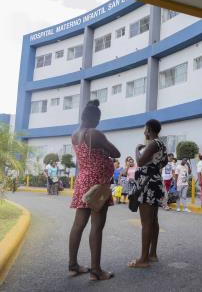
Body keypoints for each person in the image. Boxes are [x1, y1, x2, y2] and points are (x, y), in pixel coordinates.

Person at [69, 100, 120, 281]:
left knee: (78, 225)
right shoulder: (95, 134)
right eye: (98, 118)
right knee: (97, 227)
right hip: (97, 184)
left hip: (83, 181)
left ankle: (73, 265)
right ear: (94, 118)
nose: (99, 122)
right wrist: (106, 153)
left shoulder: (75, 135)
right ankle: (96, 270)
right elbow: (116, 153)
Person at [129, 119, 168, 268]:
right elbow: (163, 162)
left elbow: (139, 162)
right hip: (155, 183)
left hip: (147, 186)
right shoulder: (162, 144)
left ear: (149, 129)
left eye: (145, 129)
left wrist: (137, 151)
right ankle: (152, 254)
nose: (144, 132)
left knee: (146, 222)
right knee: (153, 220)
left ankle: (143, 259)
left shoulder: (152, 144)